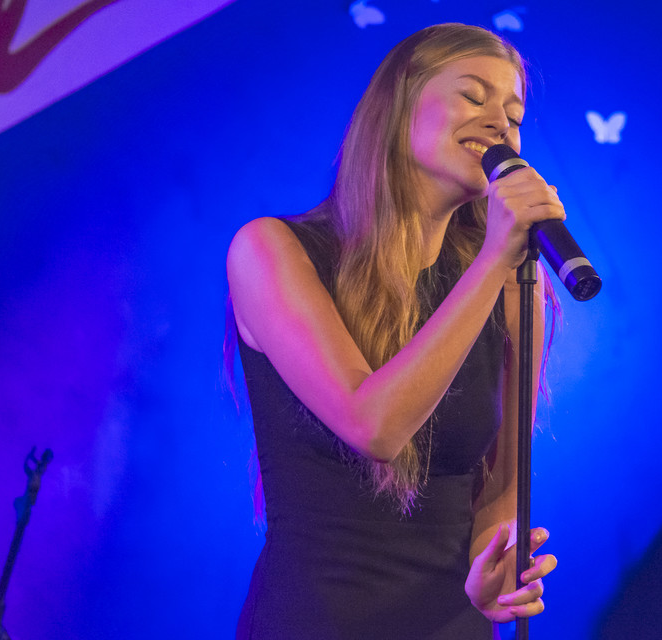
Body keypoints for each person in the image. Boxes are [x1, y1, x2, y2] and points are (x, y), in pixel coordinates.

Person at [227, 23, 563, 639]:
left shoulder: (513, 282)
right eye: (473, 96)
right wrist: (494, 257)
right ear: (398, 105)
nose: (500, 124)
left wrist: (495, 560)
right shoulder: (270, 251)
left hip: (450, 625)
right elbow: (374, 426)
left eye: (514, 116)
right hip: (318, 621)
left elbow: (504, 484)